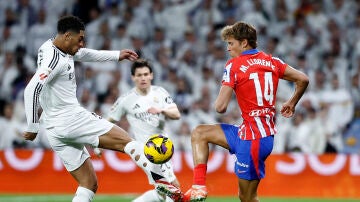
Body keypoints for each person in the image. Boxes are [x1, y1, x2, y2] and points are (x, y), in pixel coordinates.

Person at [22, 15, 180, 202]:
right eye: (79, 39)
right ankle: (162, 182)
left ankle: (162, 184)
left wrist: (116, 55)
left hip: (55, 129)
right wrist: (32, 127)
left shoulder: (51, 46)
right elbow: (32, 88)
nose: (82, 43)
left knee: (88, 184)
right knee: (126, 141)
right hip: (71, 118)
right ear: (67, 36)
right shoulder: (54, 60)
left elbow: (83, 54)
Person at [183, 21, 309, 202]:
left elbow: (220, 107)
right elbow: (303, 79)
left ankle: (199, 187)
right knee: (200, 132)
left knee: (247, 198)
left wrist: (228, 86)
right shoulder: (272, 61)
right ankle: (198, 187)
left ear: (244, 43)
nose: (228, 48)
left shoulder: (233, 65)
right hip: (252, 133)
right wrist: (292, 102)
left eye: (231, 43)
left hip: (253, 140)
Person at [107, 58, 182, 202]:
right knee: (173, 188)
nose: (143, 78)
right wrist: (98, 145)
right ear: (133, 78)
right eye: (139, 75)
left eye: (146, 74)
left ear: (151, 75)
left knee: (162, 193)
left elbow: (176, 114)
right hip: (146, 151)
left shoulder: (160, 92)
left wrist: (161, 110)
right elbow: (109, 120)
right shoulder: (126, 99)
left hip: (163, 148)